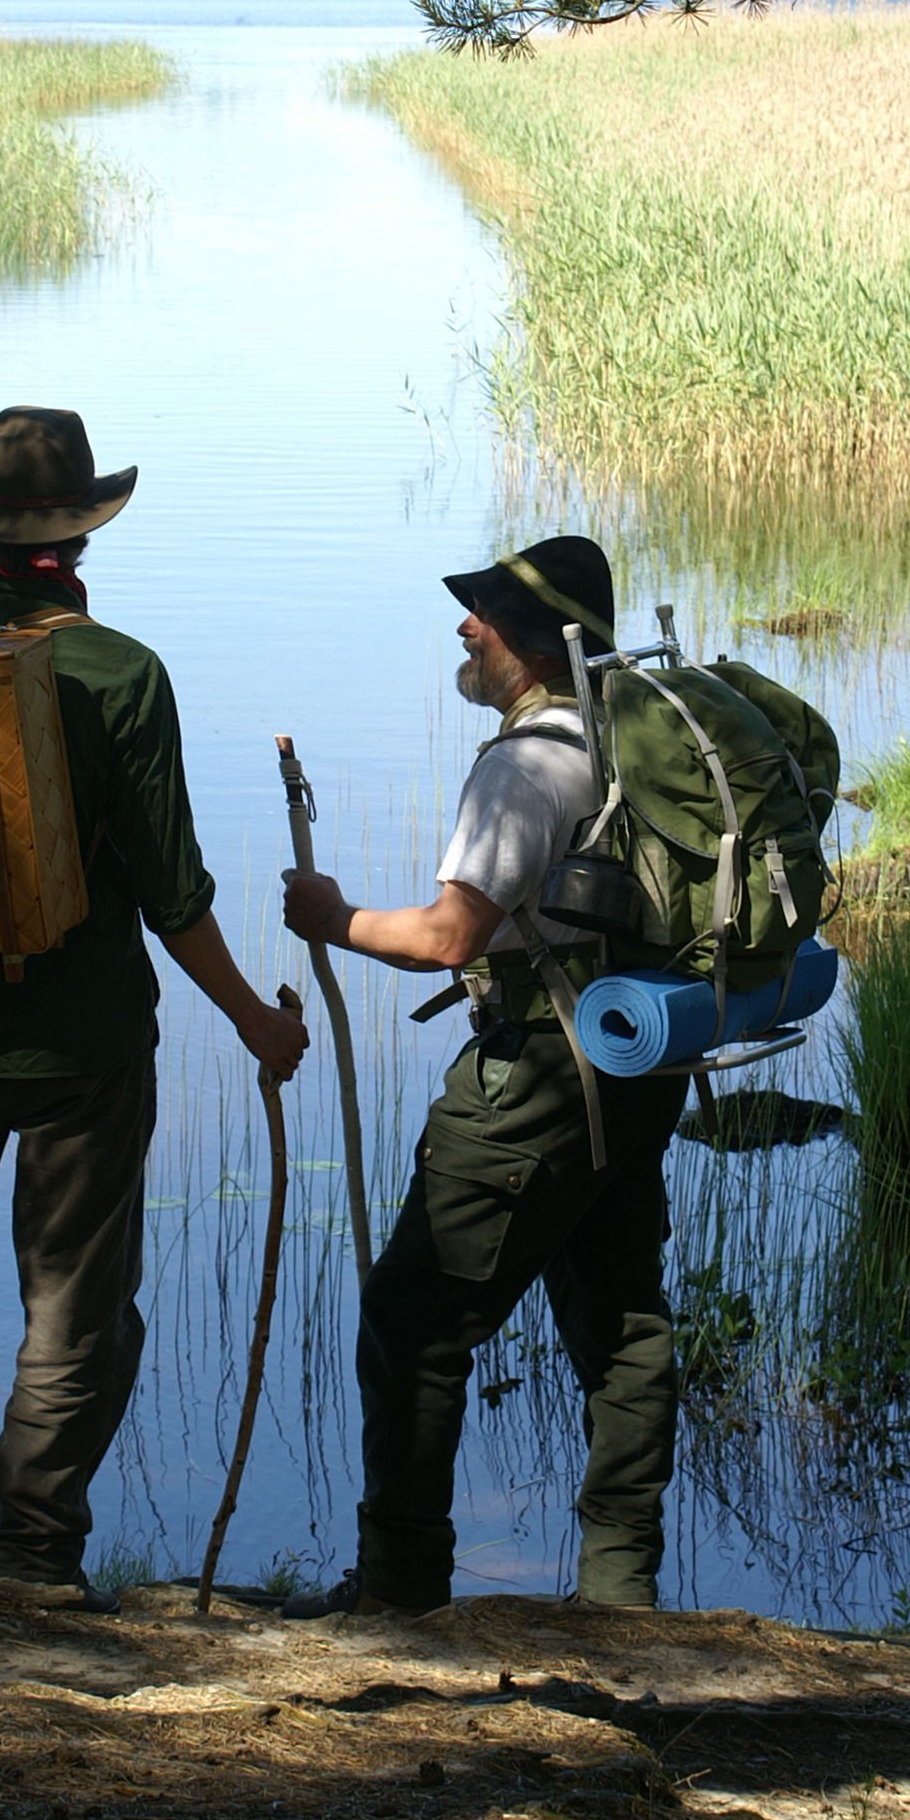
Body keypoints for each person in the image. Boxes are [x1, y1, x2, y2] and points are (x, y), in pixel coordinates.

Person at [0, 405, 305, 1604]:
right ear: (83, 535)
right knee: (72, 1305)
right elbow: (173, 892)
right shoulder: (121, 671)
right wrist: (254, 1018)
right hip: (87, 1042)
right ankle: (35, 1559)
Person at [280, 537, 688, 1616]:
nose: (467, 627)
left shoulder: (524, 767)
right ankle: (620, 1593)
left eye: (490, 614)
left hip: (538, 1074)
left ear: (540, 643)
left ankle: (399, 1587)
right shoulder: (627, 737)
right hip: (635, 1060)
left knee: (410, 1322)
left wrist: (333, 917)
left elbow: (448, 936)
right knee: (623, 1326)